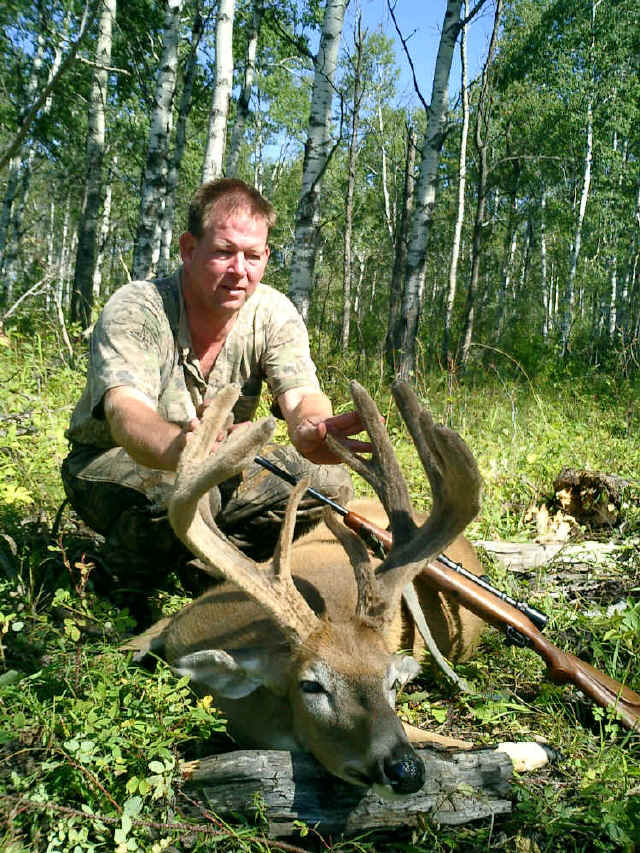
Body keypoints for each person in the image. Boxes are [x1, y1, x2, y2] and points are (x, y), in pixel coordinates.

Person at [61, 178, 367, 601]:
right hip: (109, 462)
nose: (240, 270)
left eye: (253, 255)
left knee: (326, 482)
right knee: (177, 492)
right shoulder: (139, 308)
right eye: (225, 252)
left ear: (266, 257)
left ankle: (209, 573)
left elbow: (300, 395)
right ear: (189, 248)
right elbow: (124, 412)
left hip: (217, 465)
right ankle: (118, 587)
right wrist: (184, 449)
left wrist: (311, 429)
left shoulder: (273, 313)